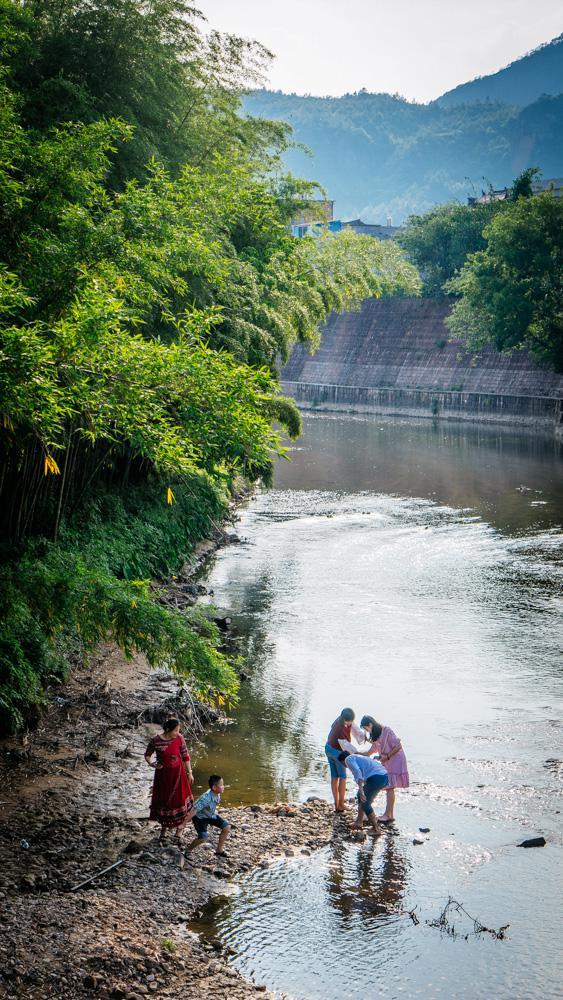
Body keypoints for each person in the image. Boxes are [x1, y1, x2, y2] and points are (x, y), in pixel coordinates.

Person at [144, 718, 194, 844]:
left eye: (178, 730)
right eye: (175, 730)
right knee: (164, 801)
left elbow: (185, 756)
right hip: (163, 776)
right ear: (167, 729)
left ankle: (179, 830)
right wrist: (151, 764)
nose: (177, 733)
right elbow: (147, 755)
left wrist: (190, 773)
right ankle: (163, 830)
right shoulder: (156, 740)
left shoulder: (179, 739)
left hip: (178, 775)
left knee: (180, 800)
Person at [360, 715, 409, 823]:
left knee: (390, 787)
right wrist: (357, 753)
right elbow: (371, 751)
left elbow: (398, 746)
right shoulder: (376, 734)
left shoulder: (387, 731)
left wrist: (387, 757)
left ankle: (388, 815)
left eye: (365, 728)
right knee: (389, 787)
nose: (366, 731)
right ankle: (388, 814)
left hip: (395, 759)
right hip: (387, 761)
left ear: (370, 724)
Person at [325, 708, 367, 813]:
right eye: (349, 721)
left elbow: (355, 729)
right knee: (342, 777)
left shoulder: (341, 720)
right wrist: (358, 754)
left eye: (352, 721)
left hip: (328, 748)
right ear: (345, 719)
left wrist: (364, 736)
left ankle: (336, 804)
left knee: (334, 777)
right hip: (336, 752)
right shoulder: (340, 728)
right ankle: (341, 804)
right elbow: (346, 746)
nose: (351, 723)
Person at [339, 751, 388, 833]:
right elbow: (365, 773)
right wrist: (361, 791)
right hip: (384, 777)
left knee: (365, 803)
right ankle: (359, 822)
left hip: (377, 777)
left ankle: (376, 828)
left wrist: (361, 790)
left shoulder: (348, 759)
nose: (344, 766)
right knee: (359, 795)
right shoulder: (357, 757)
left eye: (342, 763)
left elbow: (357, 772)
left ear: (342, 761)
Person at [185, 774, 231, 858]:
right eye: (221, 785)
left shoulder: (217, 793)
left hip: (210, 815)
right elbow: (194, 809)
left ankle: (219, 850)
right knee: (203, 837)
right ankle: (188, 850)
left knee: (226, 827)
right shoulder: (206, 798)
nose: (223, 786)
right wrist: (184, 822)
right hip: (200, 818)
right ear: (214, 787)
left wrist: (212, 821)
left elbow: (213, 806)